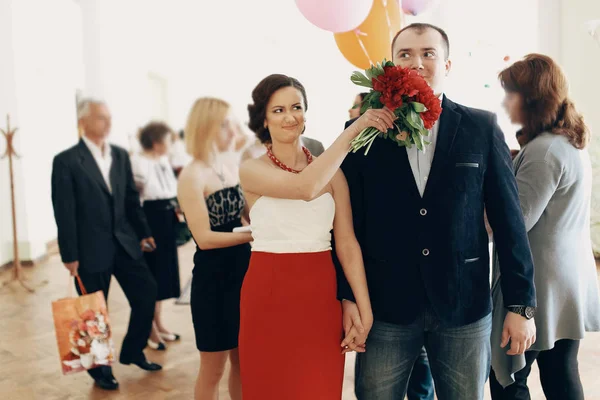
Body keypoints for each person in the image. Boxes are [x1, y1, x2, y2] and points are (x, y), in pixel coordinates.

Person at [335, 23, 537, 400]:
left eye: (428, 53)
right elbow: (348, 226)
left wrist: (520, 304)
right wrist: (348, 296)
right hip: (385, 306)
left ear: (447, 64)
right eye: (405, 54)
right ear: (390, 65)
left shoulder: (481, 126)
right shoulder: (361, 131)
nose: (417, 62)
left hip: (463, 305)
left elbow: (511, 222)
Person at [237, 74, 393, 399]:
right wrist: (354, 128)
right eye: (278, 110)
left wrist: (365, 309)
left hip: (319, 298)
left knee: (317, 388)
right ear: (263, 120)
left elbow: (347, 244)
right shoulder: (251, 170)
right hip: (267, 295)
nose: (290, 116)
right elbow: (304, 188)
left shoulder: (333, 174)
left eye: (296, 107)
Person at [489, 54, 600, 400]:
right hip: (569, 276)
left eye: (511, 93)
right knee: (560, 372)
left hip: (539, 282)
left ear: (533, 98)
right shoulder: (570, 141)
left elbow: (513, 223)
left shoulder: (544, 151)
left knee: (508, 378)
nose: (505, 102)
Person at [51, 99, 162, 391]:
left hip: (124, 243)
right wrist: (69, 254)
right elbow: (64, 210)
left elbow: (129, 200)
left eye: (109, 117)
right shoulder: (66, 160)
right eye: (101, 118)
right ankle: (100, 370)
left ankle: (133, 350)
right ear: (83, 122)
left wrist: (143, 232)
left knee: (147, 292)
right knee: (93, 312)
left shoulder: (121, 155)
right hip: (89, 250)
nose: (107, 123)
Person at [177, 98, 253, 400]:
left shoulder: (228, 164)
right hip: (214, 280)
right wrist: (251, 236)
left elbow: (246, 214)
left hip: (242, 273)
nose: (231, 129)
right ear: (206, 127)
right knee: (213, 368)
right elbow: (205, 239)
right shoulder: (191, 175)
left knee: (242, 362)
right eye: (224, 123)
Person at [131, 121, 182, 351]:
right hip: (149, 220)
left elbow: (171, 189)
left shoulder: (162, 161)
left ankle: (159, 322)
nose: (171, 146)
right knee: (150, 275)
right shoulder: (138, 162)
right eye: (168, 141)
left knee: (162, 275)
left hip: (166, 219)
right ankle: (149, 328)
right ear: (156, 142)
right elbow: (136, 200)